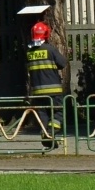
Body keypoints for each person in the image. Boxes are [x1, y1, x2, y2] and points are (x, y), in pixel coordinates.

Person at [24, 20, 66, 150]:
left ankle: (46, 136)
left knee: (43, 114)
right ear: (46, 34)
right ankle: (51, 133)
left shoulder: (29, 52)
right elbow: (63, 63)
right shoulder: (50, 49)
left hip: (37, 91)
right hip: (53, 90)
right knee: (58, 113)